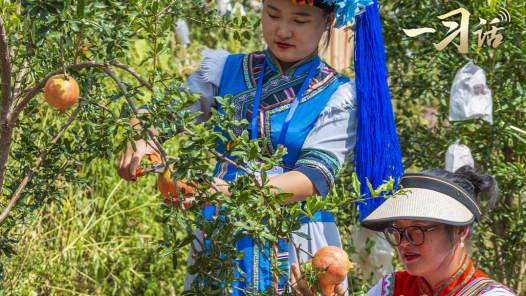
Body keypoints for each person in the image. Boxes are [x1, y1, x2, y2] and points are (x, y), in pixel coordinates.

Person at [117, 0, 403, 294]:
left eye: (300, 21)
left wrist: (229, 192)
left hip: (296, 238)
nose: (282, 30)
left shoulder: (338, 95)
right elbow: (163, 113)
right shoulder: (226, 72)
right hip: (222, 229)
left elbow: (314, 177)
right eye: (272, 14)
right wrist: (142, 137)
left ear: (328, 20)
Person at [291, 166, 515, 296]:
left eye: (417, 230)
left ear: (460, 231)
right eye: (397, 230)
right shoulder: (389, 289)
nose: (403, 242)